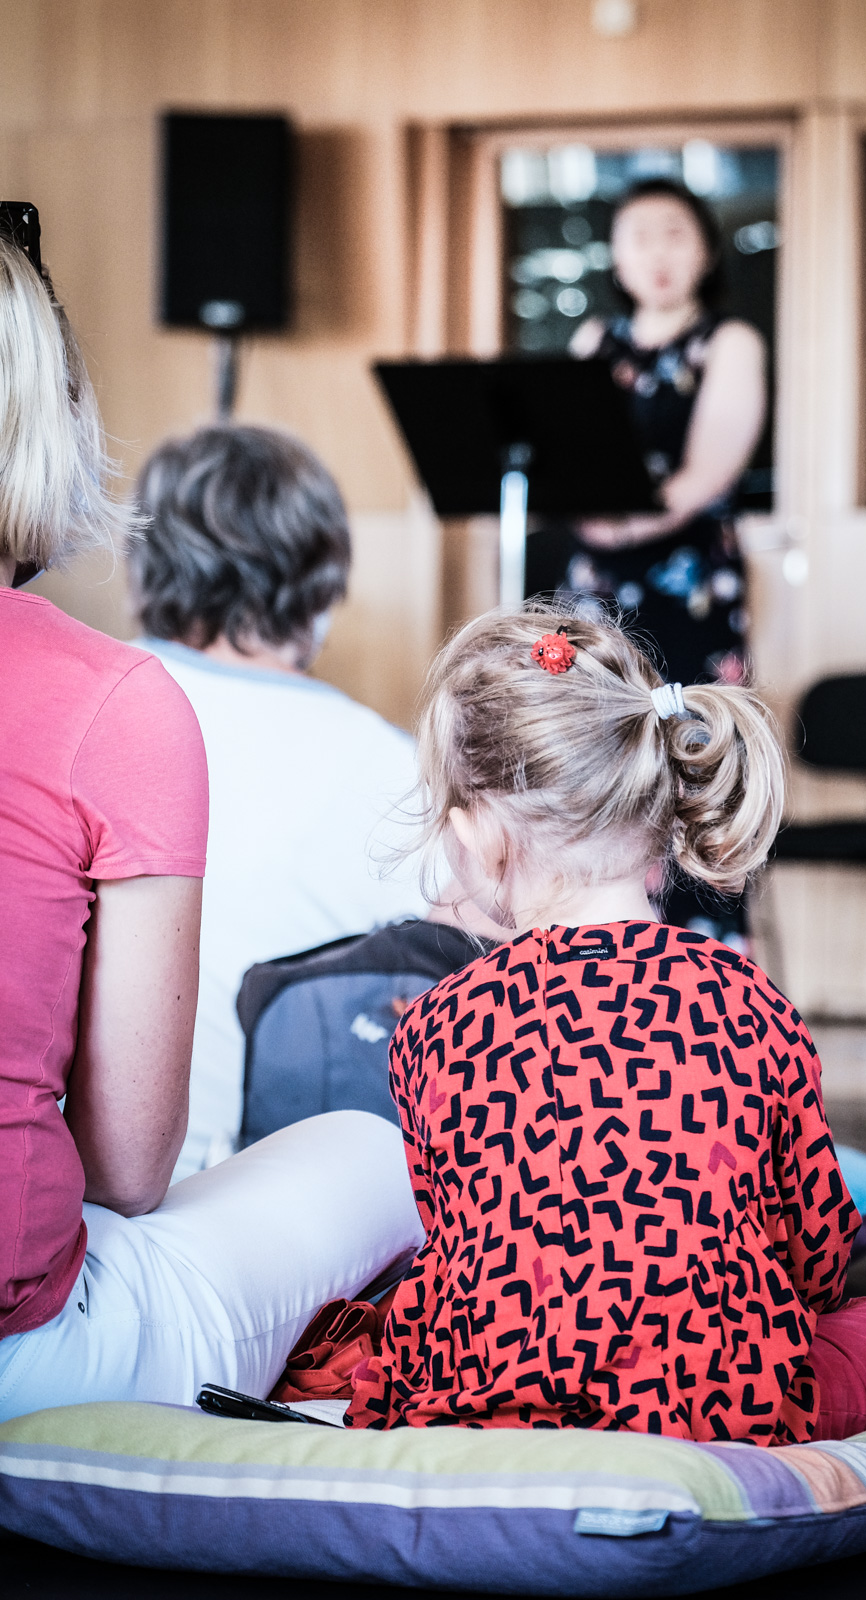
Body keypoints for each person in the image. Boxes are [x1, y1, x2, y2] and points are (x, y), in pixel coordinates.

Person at [279, 604, 866, 1443]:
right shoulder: (746, 997)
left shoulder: (434, 1022)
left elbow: (457, 1244)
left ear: (478, 838)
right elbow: (815, 1254)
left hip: (485, 1390)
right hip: (713, 1401)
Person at [0, 229, 421, 1424]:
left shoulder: (132, 682)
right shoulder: (125, 709)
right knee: (376, 1149)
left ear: (148, 572)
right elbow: (130, 1173)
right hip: (38, 1334)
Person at [127, 426, 425, 1179]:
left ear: (144, 561)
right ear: (322, 580)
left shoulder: (73, 708)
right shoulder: (390, 769)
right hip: (270, 1187)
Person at [529, 179, 768, 943]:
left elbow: (709, 470)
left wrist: (620, 524)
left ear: (703, 249)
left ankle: (703, 977)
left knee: (691, 765)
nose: (656, 253)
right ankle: (588, 950)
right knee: (589, 752)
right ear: (616, 258)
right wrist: (588, 518)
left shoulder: (729, 341)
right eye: (638, 237)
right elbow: (562, 453)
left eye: (673, 234)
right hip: (594, 578)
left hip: (688, 582)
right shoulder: (593, 342)